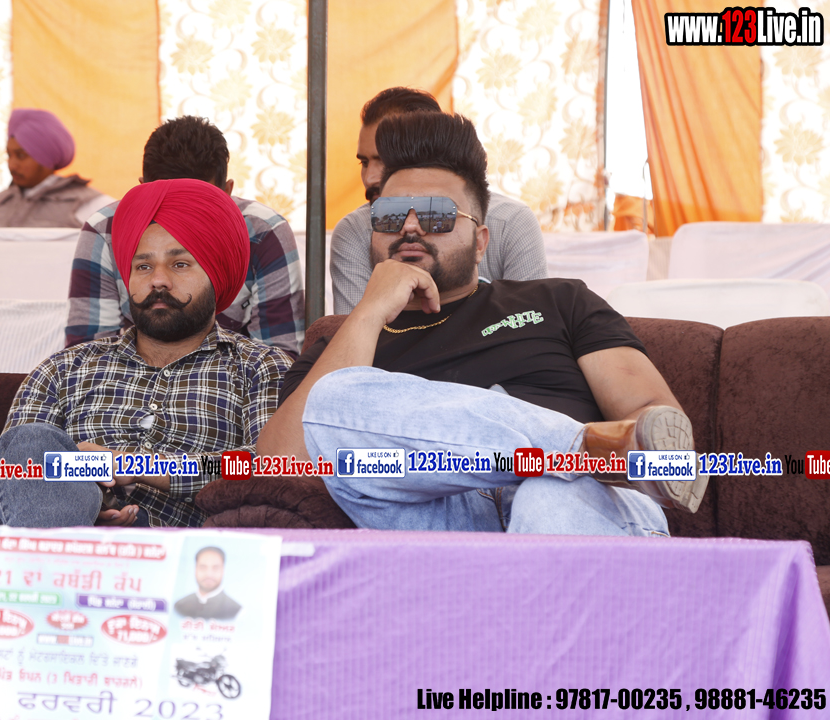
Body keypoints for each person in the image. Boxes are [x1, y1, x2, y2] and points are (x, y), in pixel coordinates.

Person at [258, 112, 707, 537]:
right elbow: (282, 461)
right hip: (442, 513)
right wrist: (369, 312)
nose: (410, 230)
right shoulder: (340, 346)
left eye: (436, 215)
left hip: (578, 501)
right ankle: (577, 446)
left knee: (546, 497)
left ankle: (566, 459)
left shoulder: (559, 301)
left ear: (480, 242)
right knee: (332, 398)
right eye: (390, 216)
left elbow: (656, 424)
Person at [0, 179, 293, 528]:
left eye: (179, 264)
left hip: (175, 547)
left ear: (216, 275)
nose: (158, 280)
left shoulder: (260, 367)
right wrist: (79, 504)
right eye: (143, 266)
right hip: (54, 529)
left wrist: (135, 466)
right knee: (32, 441)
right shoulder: (64, 369)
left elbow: (268, 467)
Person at [67, 116, 304, 357]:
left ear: (227, 193)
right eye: (144, 266)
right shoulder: (104, 230)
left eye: (199, 204)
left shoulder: (264, 231)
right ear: (141, 190)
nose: (181, 224)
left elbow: (279, 358)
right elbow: (87, 357)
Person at [330, 88, 548, 315]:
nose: (370, 178)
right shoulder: (354, 230)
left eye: (385, 161)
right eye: (364, 163)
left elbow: (530, 322)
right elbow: (350, 330)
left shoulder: (510, 222)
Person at [0, 108, 113, 228]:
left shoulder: (92, 205)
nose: (12, 164)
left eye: (21, 155)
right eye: (9, 155)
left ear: (46, 157)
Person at [174, 546, 241, 621]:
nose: (209, 574)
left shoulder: (236, 611)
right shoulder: (179, 606)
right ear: (195, 569)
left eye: (215, 568)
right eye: (203, 567)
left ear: (223, 570)